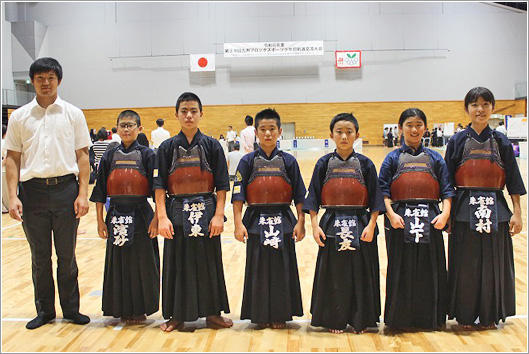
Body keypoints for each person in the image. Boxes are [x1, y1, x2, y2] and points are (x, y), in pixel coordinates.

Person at [4, 57, 91, 329]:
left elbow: (83, 156)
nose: (45, 83)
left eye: (50, 78)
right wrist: (12, 196)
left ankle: (71, 310)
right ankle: (44, 311)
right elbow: (12, 159)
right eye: (40, 78)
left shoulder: (73, 114)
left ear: (59, 81)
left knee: (67, 256)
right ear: (32, 81)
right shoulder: (19, 117)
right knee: (40, 257)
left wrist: (82, 194)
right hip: (32, 193)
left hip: (66, 191)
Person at [444, 87, 526, 330]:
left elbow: (512, 178)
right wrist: (447, 212)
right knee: (465, 263)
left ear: (492, 107)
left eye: (485, 104)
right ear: (467, 109)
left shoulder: (500, 140)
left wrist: (517, 213)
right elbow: (447, 180)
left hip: (495, 208)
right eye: (475, 105)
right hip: (463, 209)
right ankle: (465, 314)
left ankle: (490, 314)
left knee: (493, 264)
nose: (480, 109)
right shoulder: (457, 140)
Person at [154, 92, 232, 332]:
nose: (189, 115)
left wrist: (219, 215)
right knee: (177, 263)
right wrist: (162, 217)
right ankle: (177, 315)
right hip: (176, 212)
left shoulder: (212, 145)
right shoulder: (166, 147)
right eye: (184, 111)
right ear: (176, 114)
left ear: (201, 113)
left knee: (209, 264)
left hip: (207, 212)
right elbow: (159, 186)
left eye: (193, 111)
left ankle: (212, 313)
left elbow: (221, 184)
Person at [304, 113, 384, 334]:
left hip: (360, 223)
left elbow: (376, 198)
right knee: (334, 275)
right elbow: (313, 197)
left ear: (357, 135)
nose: (344, 136)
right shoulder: (323, 163)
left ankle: (361, 318)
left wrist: (371, 225)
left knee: (361, 272)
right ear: (331, 135)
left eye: (349, 132)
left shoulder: (366, 164)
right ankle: (334, 319)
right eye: (339, 132)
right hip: (331, 223)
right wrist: (314, 224)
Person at [378, 108, 454, 331]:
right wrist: (391, 215)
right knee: (400, 269)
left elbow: (447, 190)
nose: (414, 129)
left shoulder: (435, 158)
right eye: (409, 125)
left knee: (431, 270)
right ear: (400, 128)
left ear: (425, 128)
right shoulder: (392, 158)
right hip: (399, 220)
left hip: (431, 218)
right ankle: (400, 319)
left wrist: (445, 214)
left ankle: (431, 318)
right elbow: (382, 191)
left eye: (419, 124)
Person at [232, 108, 306, 329]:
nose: (267, 134)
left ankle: (280, 314)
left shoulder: (289, 162)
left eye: (271, 129)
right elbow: (237, 196)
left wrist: (300, 221)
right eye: (263, 129)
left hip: (283, 218)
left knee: (282, 268)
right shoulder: (246, 162)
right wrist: (238, 223)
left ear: (279, 131)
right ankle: (259, 314)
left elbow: (300, 196)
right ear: (255, 132)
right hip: (255, 219)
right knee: (258, 268)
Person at [90, 110, 160, 324]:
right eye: (123, 125)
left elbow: (158, 189)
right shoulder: (109, 155)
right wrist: (100, 220)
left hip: (141, 214)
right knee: (117, 263)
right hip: (116, 215)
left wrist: (157, 218)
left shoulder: (148, 155)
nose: (127, 129)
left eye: (131, 125)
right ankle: (119, 308)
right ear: (117, 129)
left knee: (142, 263)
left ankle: (141, 308)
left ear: (139, 129)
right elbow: (100, 189)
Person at [2, 124, 9, 213]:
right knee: (5, 192)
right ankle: (6, 208)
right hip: (4, 170)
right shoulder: (4, 142)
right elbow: (7, 158)